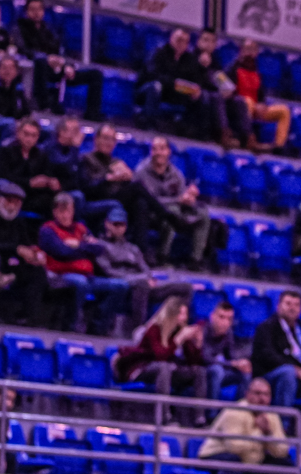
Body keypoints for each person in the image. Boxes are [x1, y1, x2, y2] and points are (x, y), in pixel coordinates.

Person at [40, 192, 130, 335]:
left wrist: (77, 245)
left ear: (73, 211)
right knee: (80, 283)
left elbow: (99, 248)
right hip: (60, 276)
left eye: (68, 211)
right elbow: (61, 252)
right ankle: (71, 327)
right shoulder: (48, 230)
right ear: (55, 212)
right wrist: (85, 248)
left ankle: (97, 327)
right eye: (61, 211)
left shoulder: (80, 228)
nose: (65, 215)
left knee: (120, 286)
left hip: (88, 276)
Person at [0, 181, 54, 327]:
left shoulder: (18, 222)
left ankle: (27, 316)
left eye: (17, 203)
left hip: (10, 263)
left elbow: (25, 245)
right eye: (9, 201)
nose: (12, 207)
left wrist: (33, 255)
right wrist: (15, 249)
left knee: (37, 271)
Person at [94, 207, 192, 328]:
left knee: (185, 288)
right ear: (107, 224)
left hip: (143, 284)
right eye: (115, 224)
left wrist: (146, 278)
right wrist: (140, 279)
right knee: (142, 285)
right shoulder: (99, 245)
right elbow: (108, 271)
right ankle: (138, 329)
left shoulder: (132, 248)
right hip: (122, 285)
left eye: (122, 225)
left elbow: (145, 269)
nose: (118, 228)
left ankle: (175, 329)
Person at [198, 378, 293, 474]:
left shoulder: (272, 416)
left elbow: (282, 451)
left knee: (283, 463)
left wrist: (268, 433)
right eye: (257, 393)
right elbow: (233, 447)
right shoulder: (234, 411)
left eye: (266, 394)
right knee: (232, 461)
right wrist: (260, 434)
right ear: (247, 394)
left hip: (250, 461)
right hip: (214, 456)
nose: (262, 398)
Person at [13, 0, 103, 117]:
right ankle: (44, 105)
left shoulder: (49, 29)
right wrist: (46, 58)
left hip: (57, 69)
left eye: (39, 9)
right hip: (36, 69)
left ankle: (92, 114)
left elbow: (60, 51)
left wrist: (67, 65)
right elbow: (22, 49)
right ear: (26, 12)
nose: (36, 13)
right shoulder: (19, 28)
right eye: (32, 9)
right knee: (40, 61)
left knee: (96, 74)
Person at [114, 296, 207, 406]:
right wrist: (178, 339)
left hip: (168, 370)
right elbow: (160, 356)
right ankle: (164, 413)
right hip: (142, 368)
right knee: (164, 367)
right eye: (181, 314)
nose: (184, 318)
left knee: (199, 371)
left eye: (186, 314)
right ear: (171, 313)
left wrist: (198, 344)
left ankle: (200, 414)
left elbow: (193, 363)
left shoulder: (180, 330)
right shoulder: (154, 329)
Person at [135, 136, 211, 267]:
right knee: (171, 212)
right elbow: (150, 200)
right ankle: (162, 256)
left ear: (168, 151)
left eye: (162, 149)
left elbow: (181, 196)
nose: (158, 152)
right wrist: (178, 200)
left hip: (176, 210)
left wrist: (189, 197)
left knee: (203, 214)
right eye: (154, 149)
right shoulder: (142, 172)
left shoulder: (176, 173)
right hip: (152, 214)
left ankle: (195, 260)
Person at [251, 290, 301, 409]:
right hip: (274, 377)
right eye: (288, 304)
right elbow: (269, 357)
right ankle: (283, 419)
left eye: (296, 305)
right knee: (288, 372)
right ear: (278, 306)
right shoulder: (266, 328)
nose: (292, 308)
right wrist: (298, 371)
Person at [79, 124, 157, 247]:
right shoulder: (85, 158)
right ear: (96, 139)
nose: (109, 143)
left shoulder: (116, 162)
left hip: (116, 198)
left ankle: (141, 249)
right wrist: (109, 178)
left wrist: (128, 177)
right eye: (106, 138)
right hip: (95, 200)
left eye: (112, 139)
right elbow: (87, 188)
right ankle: (166, 215)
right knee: (136, 187)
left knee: (140, 203)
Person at [137, 28, 211, 135]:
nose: (181, 44)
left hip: (175, 93)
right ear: (171, 38)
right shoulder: (158, 52)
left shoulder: (189, 59)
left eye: (185, 41)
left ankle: (196, 133)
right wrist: (175, 84)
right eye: (179, 40)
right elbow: (152, 75)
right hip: (149, 90)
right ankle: (149, 124)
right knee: (156, 86)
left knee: (202, 95)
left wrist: (196, 87)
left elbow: (195, 78)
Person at [228, 39, 291, 152]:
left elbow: (261, 96)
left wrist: (261, 104)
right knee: (247, 102)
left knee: (284, 110)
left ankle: (278, 147)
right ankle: (247, 140)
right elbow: (228, 93)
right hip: (237, 107)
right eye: (247, 49)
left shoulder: (257, 72)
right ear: (241, 51)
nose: (250, 53)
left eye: (253, 50)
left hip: (255, 107)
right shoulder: (233, 69)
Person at [0, 118, 59, 217]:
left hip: (32, 195)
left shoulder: (41, 154)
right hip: (12, 190)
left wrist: (50, 182)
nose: (29, 139)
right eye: (26, 134)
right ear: (18, 133)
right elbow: (2, 174)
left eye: (33, 135)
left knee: (54, 198)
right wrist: (29, 183)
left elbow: (47, 174)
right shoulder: (6, 150)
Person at [195, 299, 252, 404]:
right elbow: (205, 358)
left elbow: (231, 356)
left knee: (245, 374)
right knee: (217, 370)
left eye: (229, 319)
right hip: (201, 371)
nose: (225, 322)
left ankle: (238, 410)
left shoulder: (228, 333)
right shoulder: (202, 329)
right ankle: (212, 411)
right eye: (221, 317)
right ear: (212, 316)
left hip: (220, 370)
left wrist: (240, 363)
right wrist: (232, 364)